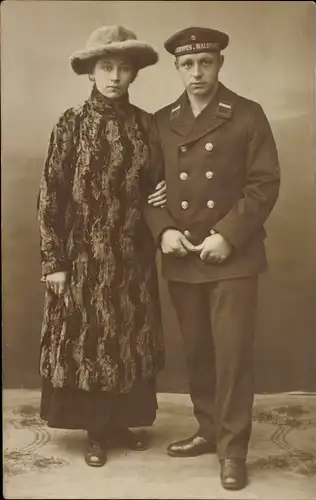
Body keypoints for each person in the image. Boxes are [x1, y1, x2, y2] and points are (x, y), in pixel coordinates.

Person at [144, 27, 280, 490]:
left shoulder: (246, 115)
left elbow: (264, 183)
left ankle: (233, 450)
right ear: (177, 69)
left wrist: (228, 234)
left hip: (232, 257)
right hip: (183, 255)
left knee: (233, 354)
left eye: (205, 62)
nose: (197, 72)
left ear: (220, 63)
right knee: (198, 350)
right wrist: (162, 230)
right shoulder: (161, 120)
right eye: (188, 64)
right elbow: (145, 188)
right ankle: (207, 429)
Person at [37, 24, 167, 468]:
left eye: (124, 69)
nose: (114, 77)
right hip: (81, 258)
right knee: (88, 342)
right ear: (91, 73)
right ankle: (95, 432)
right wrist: (54, 261)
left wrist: (162, 194)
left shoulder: (147, 125)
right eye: (106, 67)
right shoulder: (70, 124)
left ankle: (120, 422)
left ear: (134, 76)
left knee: (128, 339)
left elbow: (157, 186)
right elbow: (51, 193)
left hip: (133, 257)